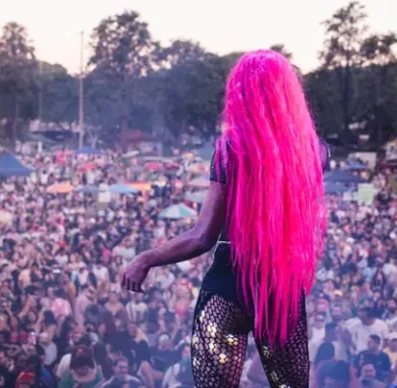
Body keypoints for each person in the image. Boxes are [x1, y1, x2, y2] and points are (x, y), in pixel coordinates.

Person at [122, 50, 328, 387]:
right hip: (280, 288)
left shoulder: (231, 150)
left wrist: (146, 259)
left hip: (228, 283)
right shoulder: (312, 151)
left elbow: (202, 235)